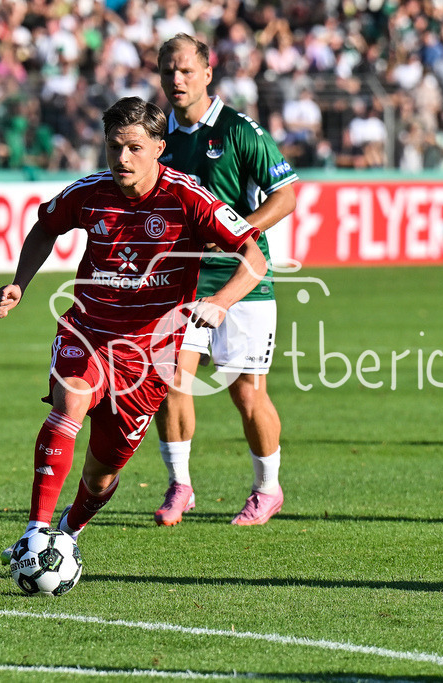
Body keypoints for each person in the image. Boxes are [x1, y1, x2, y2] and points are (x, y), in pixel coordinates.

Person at [0, 96, 265, 558]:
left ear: (160, 147)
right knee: (72, 397)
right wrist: (20, 283)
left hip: (149, 358)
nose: (122, 158)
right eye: (114, 146)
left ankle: (67, 529)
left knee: (102, 473)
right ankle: (36, 532)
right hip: (89, 332)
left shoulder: (188, 198)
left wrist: (220, 302)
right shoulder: (89, 192)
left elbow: (253, 259)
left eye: (134, 148)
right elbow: (45, 228)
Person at [153, 33, 298, 527]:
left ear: (207, 73)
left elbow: (287, 195)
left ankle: (267, 488)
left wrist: (238, 231)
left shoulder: (239, 131)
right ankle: (180, 486)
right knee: (170, 381)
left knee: (246, 393)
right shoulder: (154, 136)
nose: (177, 80)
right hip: (182, 281)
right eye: (169, 71)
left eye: (187, 71)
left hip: (244, 279)